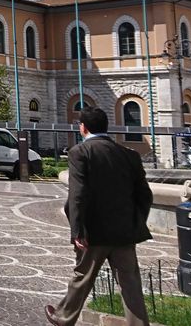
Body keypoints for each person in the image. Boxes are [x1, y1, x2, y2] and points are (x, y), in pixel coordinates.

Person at [45, 107, 152, 326]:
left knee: (82, 277)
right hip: (124, 232)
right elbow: (145, 195)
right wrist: (135, 221)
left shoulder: (80, 152)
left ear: (83, 127)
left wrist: (77, 229)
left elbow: (78, 194)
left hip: (93, 232)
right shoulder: (129, 155)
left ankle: (64, 317)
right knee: (130, 284)